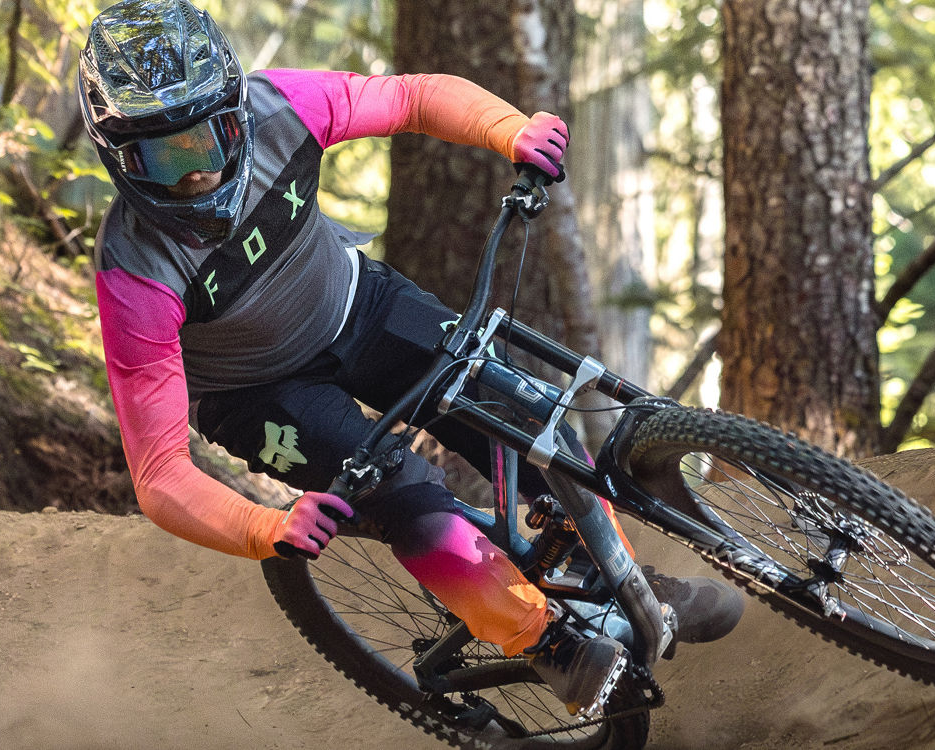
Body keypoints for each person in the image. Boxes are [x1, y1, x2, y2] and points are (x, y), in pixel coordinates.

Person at [76, 0, 743, 718]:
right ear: (119, 158)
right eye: (162, 157)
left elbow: (414, 98)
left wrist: (509, 130)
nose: (195, 175)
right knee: (406, 495)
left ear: (238, 109)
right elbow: (159, 472)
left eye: (209, 140)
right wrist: (261, 529)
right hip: (256, 393)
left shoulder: (285, 105)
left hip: (358, 305)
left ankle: (620, 580)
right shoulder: (133, 273)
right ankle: (547, 646)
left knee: (522, 415)